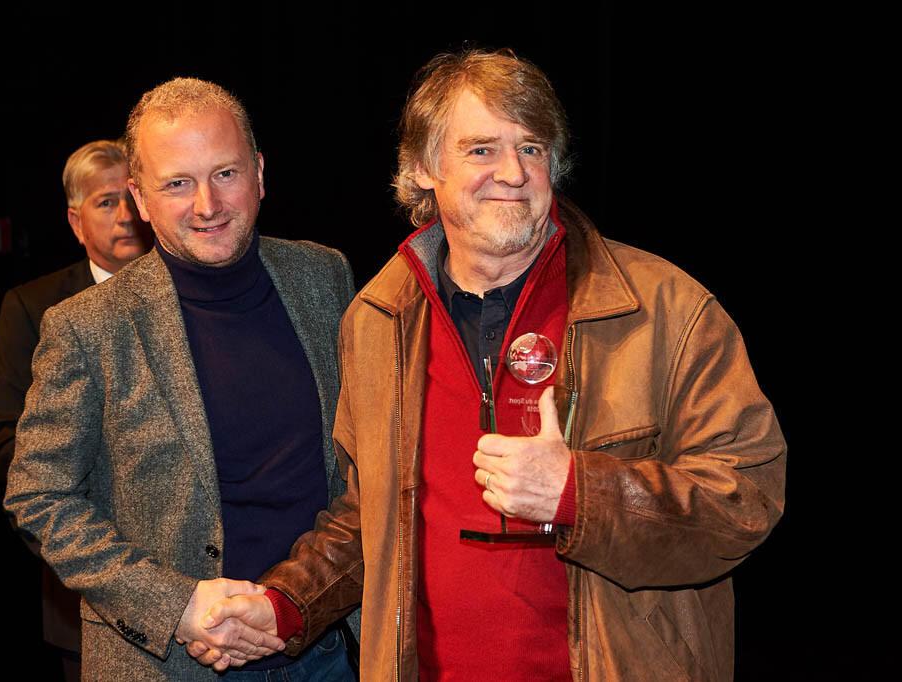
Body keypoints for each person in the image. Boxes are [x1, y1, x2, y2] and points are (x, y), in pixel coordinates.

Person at [193, 49, 787, 681]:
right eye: (482, 149)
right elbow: (372, 519)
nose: (513, 172)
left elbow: (746, 498)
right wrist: (287, 606)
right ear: (422, 168)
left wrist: (578, 493)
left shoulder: (665, 309)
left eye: (532, 148)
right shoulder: (377, 320)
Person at [4, 77, 357, 680]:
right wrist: (177, 606)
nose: (207, 205)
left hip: (321, 649)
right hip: (167, 661)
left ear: (260, 173)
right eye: (177, 184)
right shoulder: (86, 326)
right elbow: (38, 496)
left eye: (226, 173)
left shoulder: (324, 276)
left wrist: (293, 602)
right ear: (140, 199)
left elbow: (359, 467)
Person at [0, 138, 152, 680]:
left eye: (131, 196)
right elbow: (5, 448)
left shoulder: (193, 290)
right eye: (106, 202)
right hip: (89, 592)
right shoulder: (34, 308)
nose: (125, 215)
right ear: (76, 223)